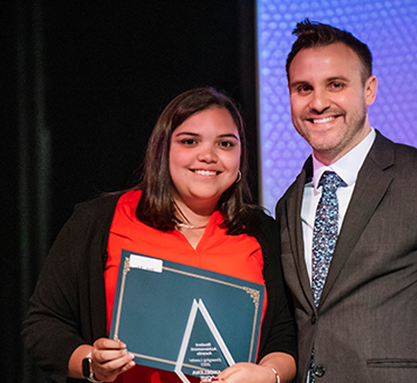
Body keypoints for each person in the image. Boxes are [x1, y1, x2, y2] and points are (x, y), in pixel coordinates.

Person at [274, 20, 417, 382]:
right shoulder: (288, 203)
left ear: (369, 90)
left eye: (336, 85)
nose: (318, 102)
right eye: (303, 88)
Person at [24, 87, 297, 383]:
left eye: (225, 144)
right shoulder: (100, 220)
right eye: (190, 141)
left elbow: (284, 335)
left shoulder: (261, 231)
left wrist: (269, 375)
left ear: (240, 157)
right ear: (162, 149)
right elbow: (44, 324)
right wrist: (92, 362)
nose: (208, 155)